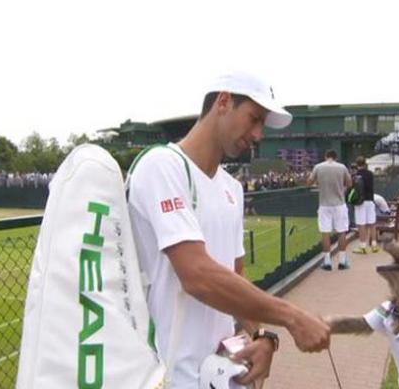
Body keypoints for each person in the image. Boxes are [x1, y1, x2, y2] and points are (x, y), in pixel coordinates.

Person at [127, 71, 330, 388]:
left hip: (220, 374)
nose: (258, 134)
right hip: (166, 374)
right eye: (254, 118)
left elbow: (234, 277)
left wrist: (260, 335)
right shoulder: (162, 166)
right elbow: (197, 275)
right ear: (223, 102)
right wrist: (292, 317)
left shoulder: (232, 189)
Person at [307, 149, 353, 270]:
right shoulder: (342, 167)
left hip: (324, 204)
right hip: (339, 204)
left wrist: (319, 182)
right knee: (342, 231)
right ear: (335, 157)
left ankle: (327, 261)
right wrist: (340, 186)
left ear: (326, 156)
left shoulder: (318, 167)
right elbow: (349, 183)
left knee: (325, 232)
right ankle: (342, 261)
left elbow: (309, 182)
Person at [351, 156, 379, 254]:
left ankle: (363, 246)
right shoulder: (370, 174)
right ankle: (374, 245)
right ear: (365, 163)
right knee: (372, 223)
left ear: (357, 164)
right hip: (370, 200)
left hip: (360, 202)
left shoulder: (356, 175)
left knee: (361, 224)